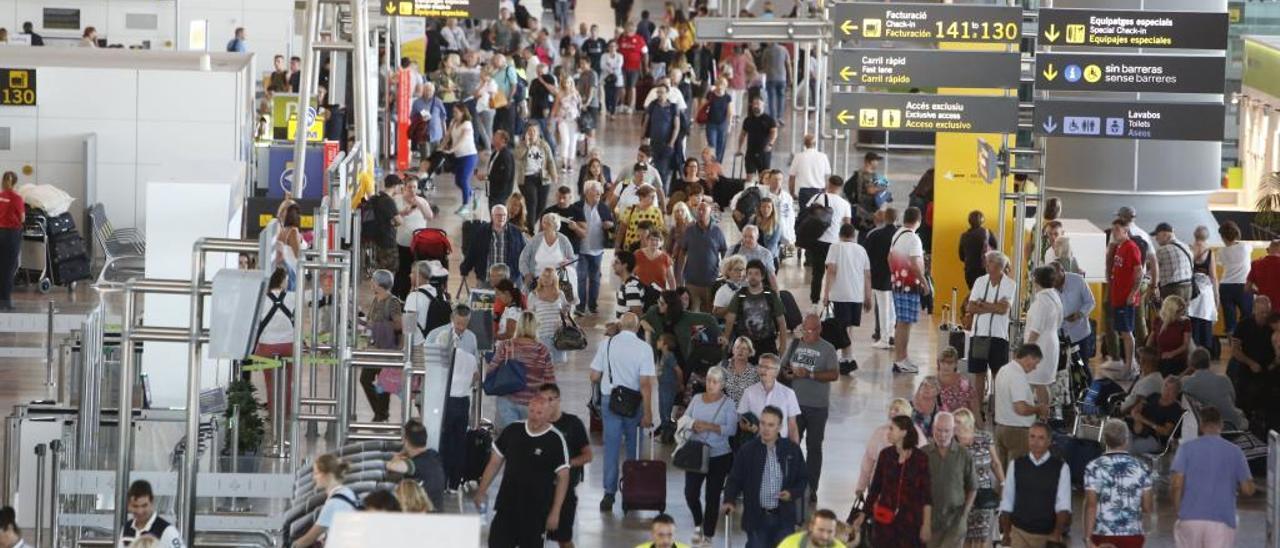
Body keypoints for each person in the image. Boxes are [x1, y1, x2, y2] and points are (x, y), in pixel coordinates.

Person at [473, 386, 571, 548]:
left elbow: (563, 478)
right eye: (531, 411)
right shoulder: (512, 431)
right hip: (506, 507)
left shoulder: (556, 440)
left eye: (539, 413)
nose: (534, 417)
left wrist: (555, 512)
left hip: (536, 513)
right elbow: (494, 463)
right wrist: (481, 491)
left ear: (548, 415)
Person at [593, 313, 657, 512]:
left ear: (620, 326)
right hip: (634, 403)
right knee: (633, 447)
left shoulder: (607, 344)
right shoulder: (645, 348)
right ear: (637, 328)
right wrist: (648, 413)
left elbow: (593, 374)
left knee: (611, 447)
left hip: (610, 401)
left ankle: (609, 494)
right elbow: (646, 384)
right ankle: (631, 490)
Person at [722, 405, 808, 548]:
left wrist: (792, 493)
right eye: (762, 423)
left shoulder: (791, 450)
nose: (765, 429)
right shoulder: (747, 451)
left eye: (771, 425)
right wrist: (729, 500)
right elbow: (734, 479)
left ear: (780, 427)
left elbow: (803, 479)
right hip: (756, 517)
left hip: (784, 518)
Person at [1171, 405, 1257, 547]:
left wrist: (1179, 511)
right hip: (1221, 520)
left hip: (1190, 518)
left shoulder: (1186, 448)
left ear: (1201, 425)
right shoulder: (1235, 451)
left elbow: (1176, 484)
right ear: (1221, 425)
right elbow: (1248, 489)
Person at [782, 314, 840, 500]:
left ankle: (812, 488)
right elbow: (783, 369)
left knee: (814, 447)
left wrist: (810, 374)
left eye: (812, 330)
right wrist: (791, 374)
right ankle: (790, 483)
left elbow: (834, 374)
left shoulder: (828, 349)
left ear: (819, 329)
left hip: (817, 407)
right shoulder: (795, 345)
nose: (808, 334)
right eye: (805, 329)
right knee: (792, 446)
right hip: (795, 406)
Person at [853, 415, 932, 547]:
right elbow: (875, 489)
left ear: (904, 432)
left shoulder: (920, 459)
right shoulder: (885, 455)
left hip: (911, 522)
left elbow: (926, 495)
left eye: (891, 429)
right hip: (885, 520)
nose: (887, 433)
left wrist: (927, 524)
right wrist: (863, 514)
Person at [681, 365, 738, 545]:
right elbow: (684, 419)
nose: (710, 384)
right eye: (708, 380)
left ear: (722, 384)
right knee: (690, 493)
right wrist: (692, 424)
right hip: (696, 453)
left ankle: (708, 535)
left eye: (715, 381)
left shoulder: (728, 403)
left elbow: (732, 429)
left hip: (719, 456)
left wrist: (708, 426)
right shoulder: (697, 399)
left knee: (712, 497)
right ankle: (698, 522)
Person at [426, 304, 479, 488]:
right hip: (441, 398)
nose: (461, 328)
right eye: (458, 323)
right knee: (441, 440)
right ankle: (440, 479)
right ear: (452, 318)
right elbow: (428, 365)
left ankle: (454, 482)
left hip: (462, 398)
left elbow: (476, 370)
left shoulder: (471, 338)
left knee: (458, 441)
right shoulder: (436, 335)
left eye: (465, 324)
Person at [997, 423, 1071, 548]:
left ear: (1049, 441)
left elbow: (1063, 505)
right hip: (1018, 531)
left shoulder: (1061, 468)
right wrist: (1006, 533)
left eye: (1041, 438)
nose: (1035, 442)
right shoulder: (1016, 465)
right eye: (1032, 436)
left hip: (1046, 534)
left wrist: (1056, 534)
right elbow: (1007, 501)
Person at [538, 384, 592, 548]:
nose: (547, 404)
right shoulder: (536, 424)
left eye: (550, 399)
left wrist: (566, 465)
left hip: (565, 491)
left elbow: (588, 455)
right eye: (542, 400)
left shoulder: (572, 424)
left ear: (558, 400)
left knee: (564, 538)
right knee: (532, 537)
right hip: (538, 490)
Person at [488, 311, 555, 430]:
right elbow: (550, 381)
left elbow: (491, 369)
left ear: (518, 326)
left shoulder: (507, 345)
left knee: (508, 441)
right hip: (533, 405)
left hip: (507, 400)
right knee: (529, 442)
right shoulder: (542, 350)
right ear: (536, 327)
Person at [967, 251, 1015, 410]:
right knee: (979, 374)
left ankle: (1000, 410)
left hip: (999, 336)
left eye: (990, 262)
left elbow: (1004, 310)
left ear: (1000, 265)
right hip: (979, 334)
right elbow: (970, 307)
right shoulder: (980, 281)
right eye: (987, 262)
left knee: (999, 375)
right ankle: (978, 410)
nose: (986, 265)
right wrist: (993, 306)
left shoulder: (1010, 284)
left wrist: (982, 304)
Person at [821, 223, 871, 367]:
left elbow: (831, 271)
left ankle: (848, 357)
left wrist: (826, 294)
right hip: (856, 295)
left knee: (842, 327)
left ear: (840, 234)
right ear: (854, 236)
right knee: (848, 327)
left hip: (840, 294)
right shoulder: (861, 250)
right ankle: (846, 356)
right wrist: (868, 296)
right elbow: (867, 275)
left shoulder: (835, 247)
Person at [925, 412, 976, 548]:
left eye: (946, 431)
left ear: (954, 431)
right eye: (938, 430)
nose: (942, 435)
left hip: (955, 522)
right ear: (933, 429)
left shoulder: (964, 454)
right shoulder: (922, 454)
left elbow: (972, 487)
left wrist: (964, 515)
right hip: (930, 521)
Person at [954, 408, 1003, 548]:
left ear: (968, 423)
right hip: (961, 495)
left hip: (983, 494)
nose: (954, 426)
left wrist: (1003, 483)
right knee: (965, 536)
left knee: (982, 536)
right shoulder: (952, 443)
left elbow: (995, 463)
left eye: (957, 422)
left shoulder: (985, 437)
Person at [993, 344, 1048, 465]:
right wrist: (1038, 409)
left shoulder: (1003, 370)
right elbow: (1021, 409)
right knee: (1016, 475)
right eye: (1036, 362)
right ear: (1028, 357)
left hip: (1000, 428)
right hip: (1017, 432)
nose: (1035, 368)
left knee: (1002, 475)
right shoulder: (1018, 375)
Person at [804, 175, 854, 304]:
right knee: (834, 274)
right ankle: (831, 300)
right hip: (835, 243)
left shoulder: (817, 197)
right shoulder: (845, 204)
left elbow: (806, 214)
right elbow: (847, 225)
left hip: (817, 241)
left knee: (817, 274)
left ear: (828, 184)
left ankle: (814, 302)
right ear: (840, 187)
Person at [890, 207, 929, 373]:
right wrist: (925, 282)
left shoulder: (897, 234)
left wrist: (895, 274)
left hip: (898, 283)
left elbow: (889, 257)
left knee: (902, 322)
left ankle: (902, 358)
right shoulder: (914, 239)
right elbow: (914, 263)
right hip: (909, 286)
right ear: (918, 221)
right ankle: (901, 360)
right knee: (905, 324)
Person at [722, 259, 787, 357]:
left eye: (756, 274)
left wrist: (783, 346)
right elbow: (730, 320)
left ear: (762, 276)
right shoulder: (740, 295)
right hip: (744, 344)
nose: (753, 277)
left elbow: (781, 322)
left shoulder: (770, 295)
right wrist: (725, 342)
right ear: (746, 276)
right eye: (750, 273)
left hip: (767, 343)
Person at [254, 268, 296, 417]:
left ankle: (273, 413)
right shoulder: (292, 297)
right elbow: (313, 295)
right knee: (288, 381)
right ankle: (287, 413)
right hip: (288, 346)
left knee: (270, 382)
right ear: (283, 280)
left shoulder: (260, 299)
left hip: (267, 347)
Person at [361, 270, 401, 422]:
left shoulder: (392, 302)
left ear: (379, 284)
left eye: (373, 281)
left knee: (383, 384)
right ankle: (380, 412)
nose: (371, 283)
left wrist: (378, 326)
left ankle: (381, 414)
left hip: (386, 349)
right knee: (365, 379)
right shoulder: (376, 299)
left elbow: (399, 324)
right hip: (373, 348)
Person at [570, 180, 614, 314]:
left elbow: (613, 223)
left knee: (595, 278)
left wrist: (610, 225)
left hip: (597, 249)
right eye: (596, 194)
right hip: (582, 249)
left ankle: (593, 305)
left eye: (600, 194)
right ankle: (580, 306)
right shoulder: (576, 207)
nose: (599, 196)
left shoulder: (603, 207)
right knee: (581, 277)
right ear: (587, 193)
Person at [291, 456, 354, 547]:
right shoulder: (346, 492)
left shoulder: (334, 503)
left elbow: (309, 539)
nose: (314, 478)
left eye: (317, 473)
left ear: (329, 475)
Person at [1023, 266, 1063, 412]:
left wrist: (1025, 350)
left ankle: (1039, 415)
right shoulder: (1055, 297)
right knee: (1041, 383)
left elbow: (1036, 330)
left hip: (1040, 346)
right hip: (1051, 342)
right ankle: (1042, 415)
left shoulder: (1042, 302)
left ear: (1036, 281)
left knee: (1038, 382)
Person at [1108, 219, 1145, 373]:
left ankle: (1130, 366)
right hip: (1118, 297)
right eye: (1113, 229)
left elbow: (1139, 272)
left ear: (1126, 230)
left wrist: (1133, 293)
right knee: (1123, 332)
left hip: (1126, 298)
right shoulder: (1119, 247)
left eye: (1117, 229)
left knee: (1127, 332)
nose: (1114, 232)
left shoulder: (1131, 247)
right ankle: (1128, 363)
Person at [386, 420, 447, 511]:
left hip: (424, 518)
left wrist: (399, 455)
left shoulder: (416, 464)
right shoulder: (433, 455)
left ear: (406, 441)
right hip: (436, 513)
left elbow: (391, 466)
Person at [460, 205, 528, 287]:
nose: (501, 217)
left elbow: (524, 254)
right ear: (492, 216)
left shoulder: (516, 233)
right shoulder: (482, 232)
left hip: (510, 280)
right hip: (487, 279)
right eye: (498, 215)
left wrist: (526, 272)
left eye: (504, 215)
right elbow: (472, 252)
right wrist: (465, 269)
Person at [678, 201, 728, 312]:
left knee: (709, 313)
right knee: (692, 313)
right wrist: (679, 275)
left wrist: (724, 271)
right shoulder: (689, 230)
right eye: (698, 210)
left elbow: (724, 251)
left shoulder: (717, 231)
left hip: (711, 282)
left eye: (703, 210)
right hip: (691, 281)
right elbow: (682, 251)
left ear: (710, 212)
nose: (700, 212)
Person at [1182, 348, 1248, 430]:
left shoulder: (1187, 383)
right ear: (1209, 363)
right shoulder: (1224, 379)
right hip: (1233, 424)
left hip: (1209, 427)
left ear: (1191, 364)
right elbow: (1233, 400)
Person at [1229, 295, 1274, 412]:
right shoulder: (1243, 325)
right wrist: (1250, 363)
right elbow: (1235, 350)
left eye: (1267, 312)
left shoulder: (1273, 326)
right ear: (1254, 310)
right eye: (1261, 312)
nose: (1265, 315)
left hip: (1269, 368)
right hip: (1247, 368)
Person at [391, 177, 434, 298]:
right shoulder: (397, 200)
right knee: (403, 271)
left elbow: (430, 216)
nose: (412, 190)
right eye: (409, 187)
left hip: (419, 244)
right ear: (404, 188)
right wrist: (403, 213)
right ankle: (399, 296)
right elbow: (392, 219)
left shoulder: (421, 201)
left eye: (414, 187)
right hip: (403, 243)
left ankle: (418, 295)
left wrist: (419, 203)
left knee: (419, 270)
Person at [515, 125, 558, 230]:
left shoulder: (544, 145)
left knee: (542, 206)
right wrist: (526, 144)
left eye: (534, 131)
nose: (531, 133)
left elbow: (550, 161)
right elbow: (517, 156)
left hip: (542, 177)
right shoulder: (521, 145)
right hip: (527, 178)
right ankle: (530, 229)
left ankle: (527, 225)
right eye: (529, 131)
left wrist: (554, 175)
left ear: (538, 133)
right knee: (532, 202)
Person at [866, 208, 898, 349]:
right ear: (896, 218)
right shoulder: (899, 234)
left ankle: (884, 338)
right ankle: (891, 334)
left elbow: (866, 255)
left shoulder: (875, 235)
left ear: (885, 218)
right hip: (896, 275)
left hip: (879, 275)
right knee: (892, 306)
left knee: (883, 307)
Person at [119, 480, 184, 547]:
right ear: (129, 505)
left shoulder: (167, 531)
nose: (140, 511)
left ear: (152, 502)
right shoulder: (126, 528)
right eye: (135, 506)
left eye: (144, 506)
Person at [1129, 376, 1184, 455]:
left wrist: (1144, 420)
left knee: (1129, 447)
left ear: (1176, 392)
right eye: (1165, 386)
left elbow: (1166, 432)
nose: (1166, 391)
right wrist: (1136, 410)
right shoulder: (1154, 396)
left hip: (1155, 439)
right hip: (1138, 429)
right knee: (1118, 437)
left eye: (1171, 389)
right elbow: (1140, 408)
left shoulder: (1175, 409)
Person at [1055, 261, 1096, 362]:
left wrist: (1080, 314)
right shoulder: (1049, 285)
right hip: (1060, 335)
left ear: (1062, 271)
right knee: (1062, 369)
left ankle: (1086, 377)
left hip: (1080, 333)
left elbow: (1090, 302)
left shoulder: (1078, 280)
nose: (1054, 282)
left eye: (1056, 278)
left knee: (1082, 367)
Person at [1217, 221, 1253, 334]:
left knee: (1230, 321)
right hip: (1243, 286)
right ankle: (1246, 344)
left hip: (1225, 286)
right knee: (1247, 317)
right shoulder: (1246, 247)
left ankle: (1233, 347)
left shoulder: (1221, 251)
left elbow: (1220, 263)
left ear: (1222, 237)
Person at [444, 104, 480, 214]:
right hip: (459, 156)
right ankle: (472, 193)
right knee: (458, 181)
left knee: (464, 180)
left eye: (456, 112)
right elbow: (448, 136)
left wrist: (452, 149)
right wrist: (442, 146)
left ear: (463, 112)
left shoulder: (467, 124)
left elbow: (463, 140)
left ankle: (465, 205)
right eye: (453, 112)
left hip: (469, 156)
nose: (454, 114)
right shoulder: (453, 122)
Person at [1189, 225, 1218, 350]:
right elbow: (1213, 277)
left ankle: (1191, 350)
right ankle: (1205, 351)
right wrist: (1217, 297)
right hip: (1205, 291)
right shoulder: (1209, 252)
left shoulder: (1189, 249)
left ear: (1194, 235)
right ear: (1207, 237)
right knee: (1205, 319)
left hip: (1191, 289)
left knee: (1191, 320)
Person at [1148, 295, 1192, 376]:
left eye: (1183, 311)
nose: (1182, 314)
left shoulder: (1185, 322)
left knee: (1168, 366)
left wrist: (1172, 353)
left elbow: (1185, 345)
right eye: (1179, 311)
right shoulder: (1158, 321)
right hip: (1160, 357)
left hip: (1177, 359)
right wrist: (1147, 353)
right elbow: (1151, 339)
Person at [737, 96, 778, 181]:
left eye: (758, 104)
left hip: (764, 153)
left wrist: (770, 144)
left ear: (763, 105)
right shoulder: (748, 120)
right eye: (754, 104)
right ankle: (749, 192)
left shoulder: (769, 120)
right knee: (749, 178)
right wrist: (739, 148)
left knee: (764, 178)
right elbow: (742, 135)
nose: (756, 106)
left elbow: (774, 133)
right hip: (750, 153)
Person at [1154, 223, 1195, 302]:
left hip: (1172, 289)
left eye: (1157, 235)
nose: (1156, 238)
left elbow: (1152, 268)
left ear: (1165, 234)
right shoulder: (1186, 247)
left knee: (1171, 314)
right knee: (1183, 312)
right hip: (1188, 287)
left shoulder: (1162, 250)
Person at [958, 211, 998, 289]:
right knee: (985, 294)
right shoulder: (987, 233)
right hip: (985, 270)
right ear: (982, 221)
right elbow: (996, 250)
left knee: (974, 294)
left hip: (970, 271)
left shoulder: (964, 236)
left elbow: (961, 257)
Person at [789, 134, 830, 207]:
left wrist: (792, 193)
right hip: (819, 191)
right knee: (818, 215)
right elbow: (827, 176)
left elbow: (792, 177)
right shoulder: (823, 157)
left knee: (804, 215)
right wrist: (826, 191)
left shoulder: (798, 157)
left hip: (803, 192)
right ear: (815, 144)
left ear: (804, 144)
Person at [1120, 347, 1164, 414]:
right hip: (1125, 405)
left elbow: (1137, 404)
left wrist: (1120, 413)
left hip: (1129, 415)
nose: (1138, 362)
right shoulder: (1151, 376)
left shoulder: (1150, 381)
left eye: (1139, 359)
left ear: (1145, 362)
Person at [703, 77, 734, 163]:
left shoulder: (727, 97)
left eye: (723, 84)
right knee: (712, 144)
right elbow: (703, 106)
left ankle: (717, 164)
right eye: (719, 84)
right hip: (711, 123)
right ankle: (711, 162)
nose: (720, 86)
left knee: (721, 145)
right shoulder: (710, 95)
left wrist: (729, 125)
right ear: (716, 85)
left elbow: (730, 112)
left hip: (722, 124)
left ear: (725, 86)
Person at [778, 509, 846, 548]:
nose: (825, 536)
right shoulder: (789, 543)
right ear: (811, 527)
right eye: (821, 530)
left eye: (830, 531)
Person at [937, 347, 976, 415]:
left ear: (956, 364)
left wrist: (980, 425)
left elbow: (975, 409)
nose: (946, 366)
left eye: (950, 363)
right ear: (938, 363)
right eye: (943, 362)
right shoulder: (932, 383)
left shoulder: (965, 385)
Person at [486, 130, 517, 208]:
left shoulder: (506, 155)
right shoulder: (495, 152)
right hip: (493, 191)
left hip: (501, 194)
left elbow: (506, 176)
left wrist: (488, 177)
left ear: (503, 140)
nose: (493, 138)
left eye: (496, 137)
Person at [1248, 239, 1280, 307]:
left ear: (1269, 249)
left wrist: (1260, 293)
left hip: (1264, 307)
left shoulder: (1256, 264)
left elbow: (1247, 287)